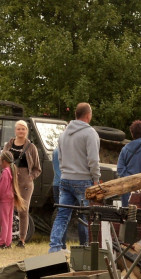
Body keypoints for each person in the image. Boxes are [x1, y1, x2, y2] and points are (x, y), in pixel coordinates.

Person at [49, 103, 100, 252]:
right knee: (87, 216)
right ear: (88, 115)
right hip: (83, 179)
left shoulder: (63, 134)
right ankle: (87, 247)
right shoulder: (90, 133)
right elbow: (93, 160)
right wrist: (96, 179)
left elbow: (60, 158)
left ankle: (55, 247)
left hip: (65, 179)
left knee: (62, 215)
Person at [3, 120, 43, 247]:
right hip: (10, 180)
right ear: (15, 130)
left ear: (27, 131)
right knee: (6, 209)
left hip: (25, 182)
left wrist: (30, 177)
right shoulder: (8, 145)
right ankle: (3, 238)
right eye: (19, 129)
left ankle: (21, 239)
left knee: (23, 210)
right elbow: (2, 161)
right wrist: (4, 174)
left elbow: (38, 168)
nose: (21, 131)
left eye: (23, 129)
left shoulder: (31, 147)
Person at [0, 150, 27, 249]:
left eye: (0, 160)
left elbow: (1, 188)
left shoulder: (5, 172)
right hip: (11, 198)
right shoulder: (12, 171)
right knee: (9, 221)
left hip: (4, 199)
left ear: (4, 161)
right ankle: (8, 242)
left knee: (4, 221)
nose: (0, 162)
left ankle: (2, 242)